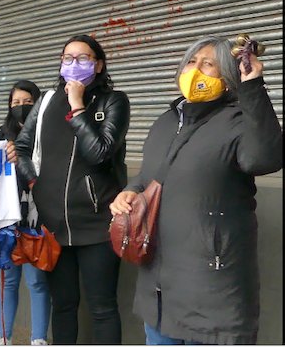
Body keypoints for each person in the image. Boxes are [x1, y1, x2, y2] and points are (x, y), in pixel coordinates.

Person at [110, 35, 282, 344]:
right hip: (159, 288)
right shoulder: (165, 122)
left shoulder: (239, 121)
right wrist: (130, 192)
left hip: (213, 289)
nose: (195, 70)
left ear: (229, 78)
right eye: (191, 61)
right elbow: (149, 177)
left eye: (208, 64)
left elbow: (264, 158)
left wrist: (253, 87)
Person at [15, 35, 130, 344]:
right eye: (68, 58)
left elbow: (100, 152)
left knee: (102, 307)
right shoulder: (47, 100)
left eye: (83, 58)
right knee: (63, 306)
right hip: (53, 226)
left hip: (97, 226)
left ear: (99, 64)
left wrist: (78, 107)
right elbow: (23, 148)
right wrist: (35, 182)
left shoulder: (114, 101)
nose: (74, 64)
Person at [0, 80, 51, 346]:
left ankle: (38, 339)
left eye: (28, 102)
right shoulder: (0, 137)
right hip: (6, 220)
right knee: (8, 280)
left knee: (37, 282)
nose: (21, 107)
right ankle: (3, 336)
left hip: (37, 218)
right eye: (16, 103)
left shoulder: (48, 133)